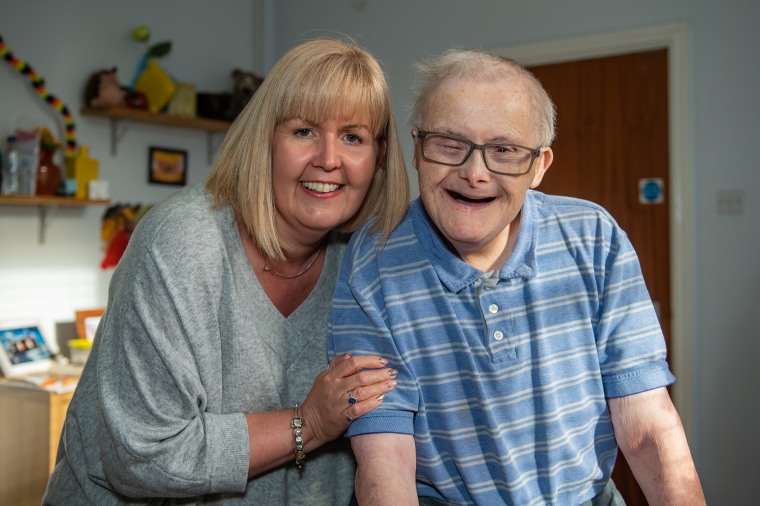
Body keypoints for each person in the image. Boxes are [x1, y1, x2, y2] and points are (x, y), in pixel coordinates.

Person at [328, 49, 706, 505]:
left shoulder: (594, 238)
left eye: (504, 150)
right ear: (417, 151)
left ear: (540, 166)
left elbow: (648, 429)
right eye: (449, 143)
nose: (474, 173)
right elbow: (384, 458)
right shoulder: (373, 259)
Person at [43, 37, 409, 505]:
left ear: (378, 159)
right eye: (304, 131)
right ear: (265, 140)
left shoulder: (368, 262)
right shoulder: (183, 241)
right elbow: (142, 457)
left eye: (353, 137)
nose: (329, 159)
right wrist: (310, 422)